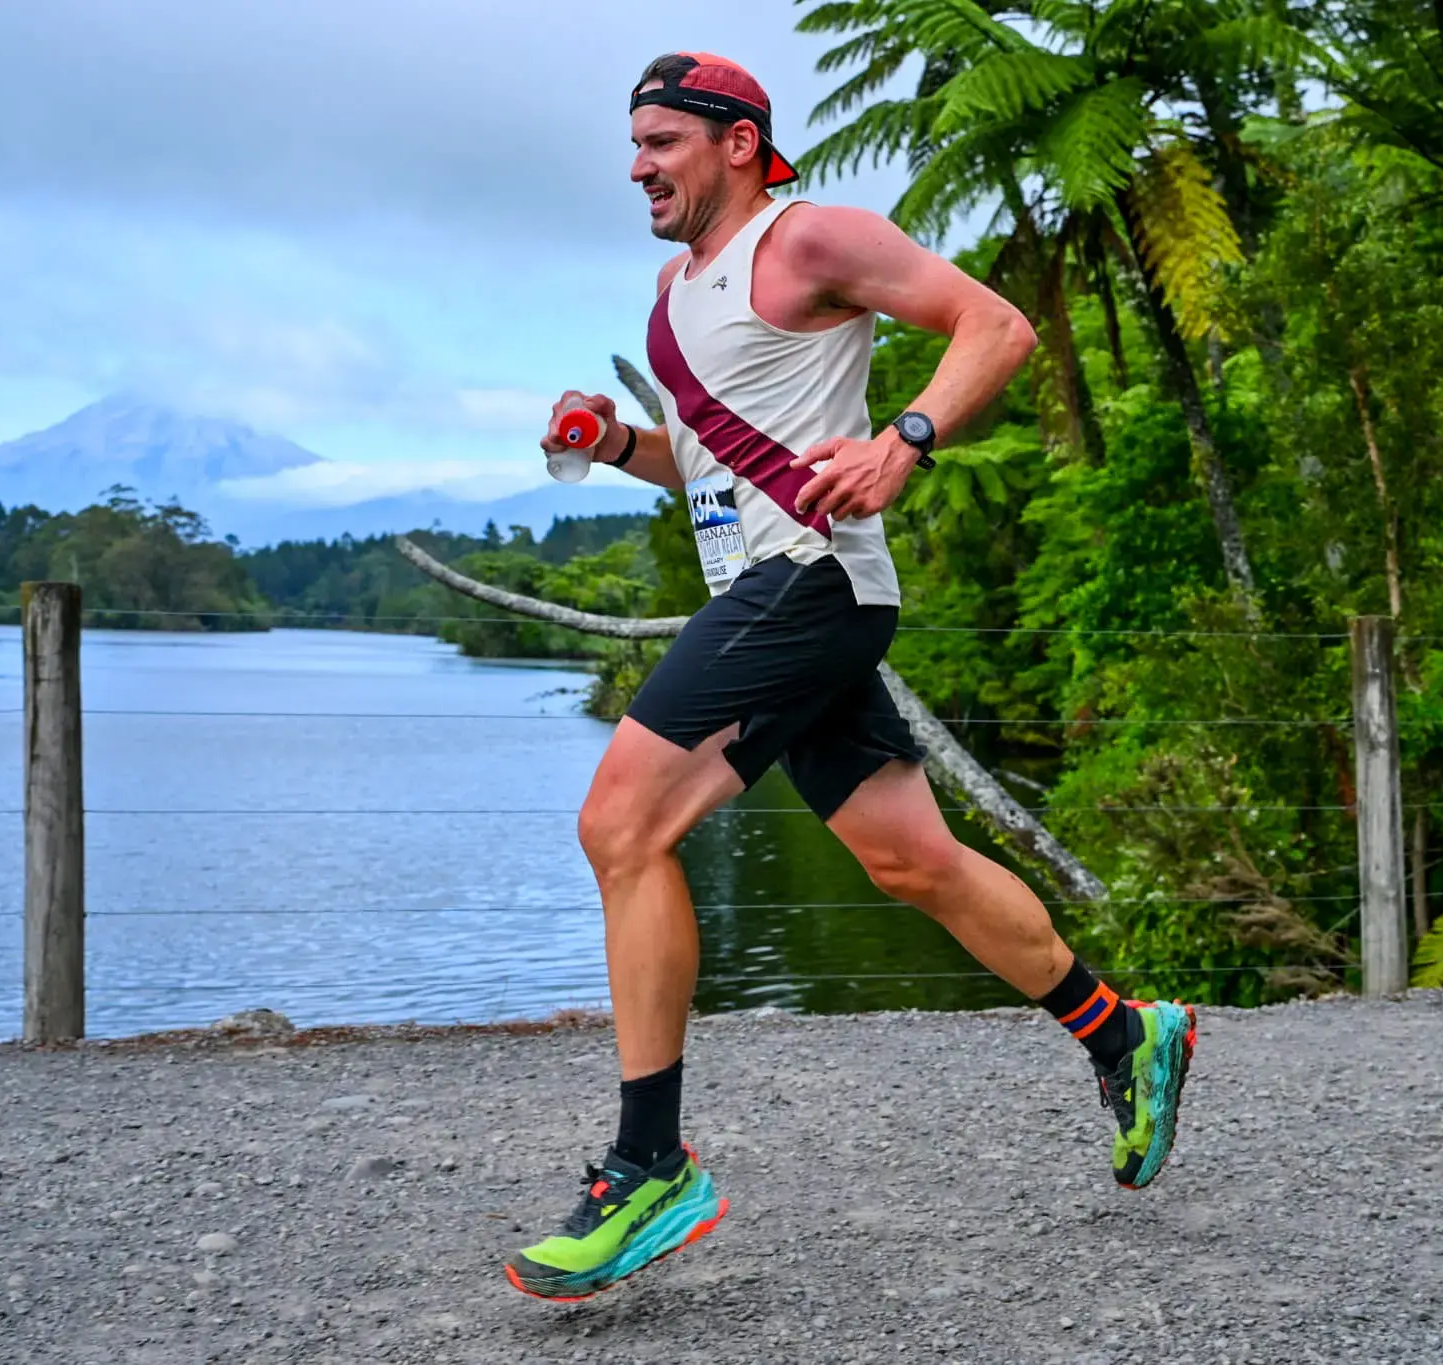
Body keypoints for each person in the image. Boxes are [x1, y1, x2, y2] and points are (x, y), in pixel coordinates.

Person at [504, 51, 1197, 1302]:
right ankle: (1125, 1033)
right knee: (909, 863)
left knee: (619, 828)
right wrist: (614, 445)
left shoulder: (812, 237)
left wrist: (903, 442)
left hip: (807, 589)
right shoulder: (673, 293)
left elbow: (997, 325)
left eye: (660, 141)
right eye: (632, 143)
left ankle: (649, 1165)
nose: (636, 165)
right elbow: (712, 477)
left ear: (733, 140)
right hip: (768, 589)